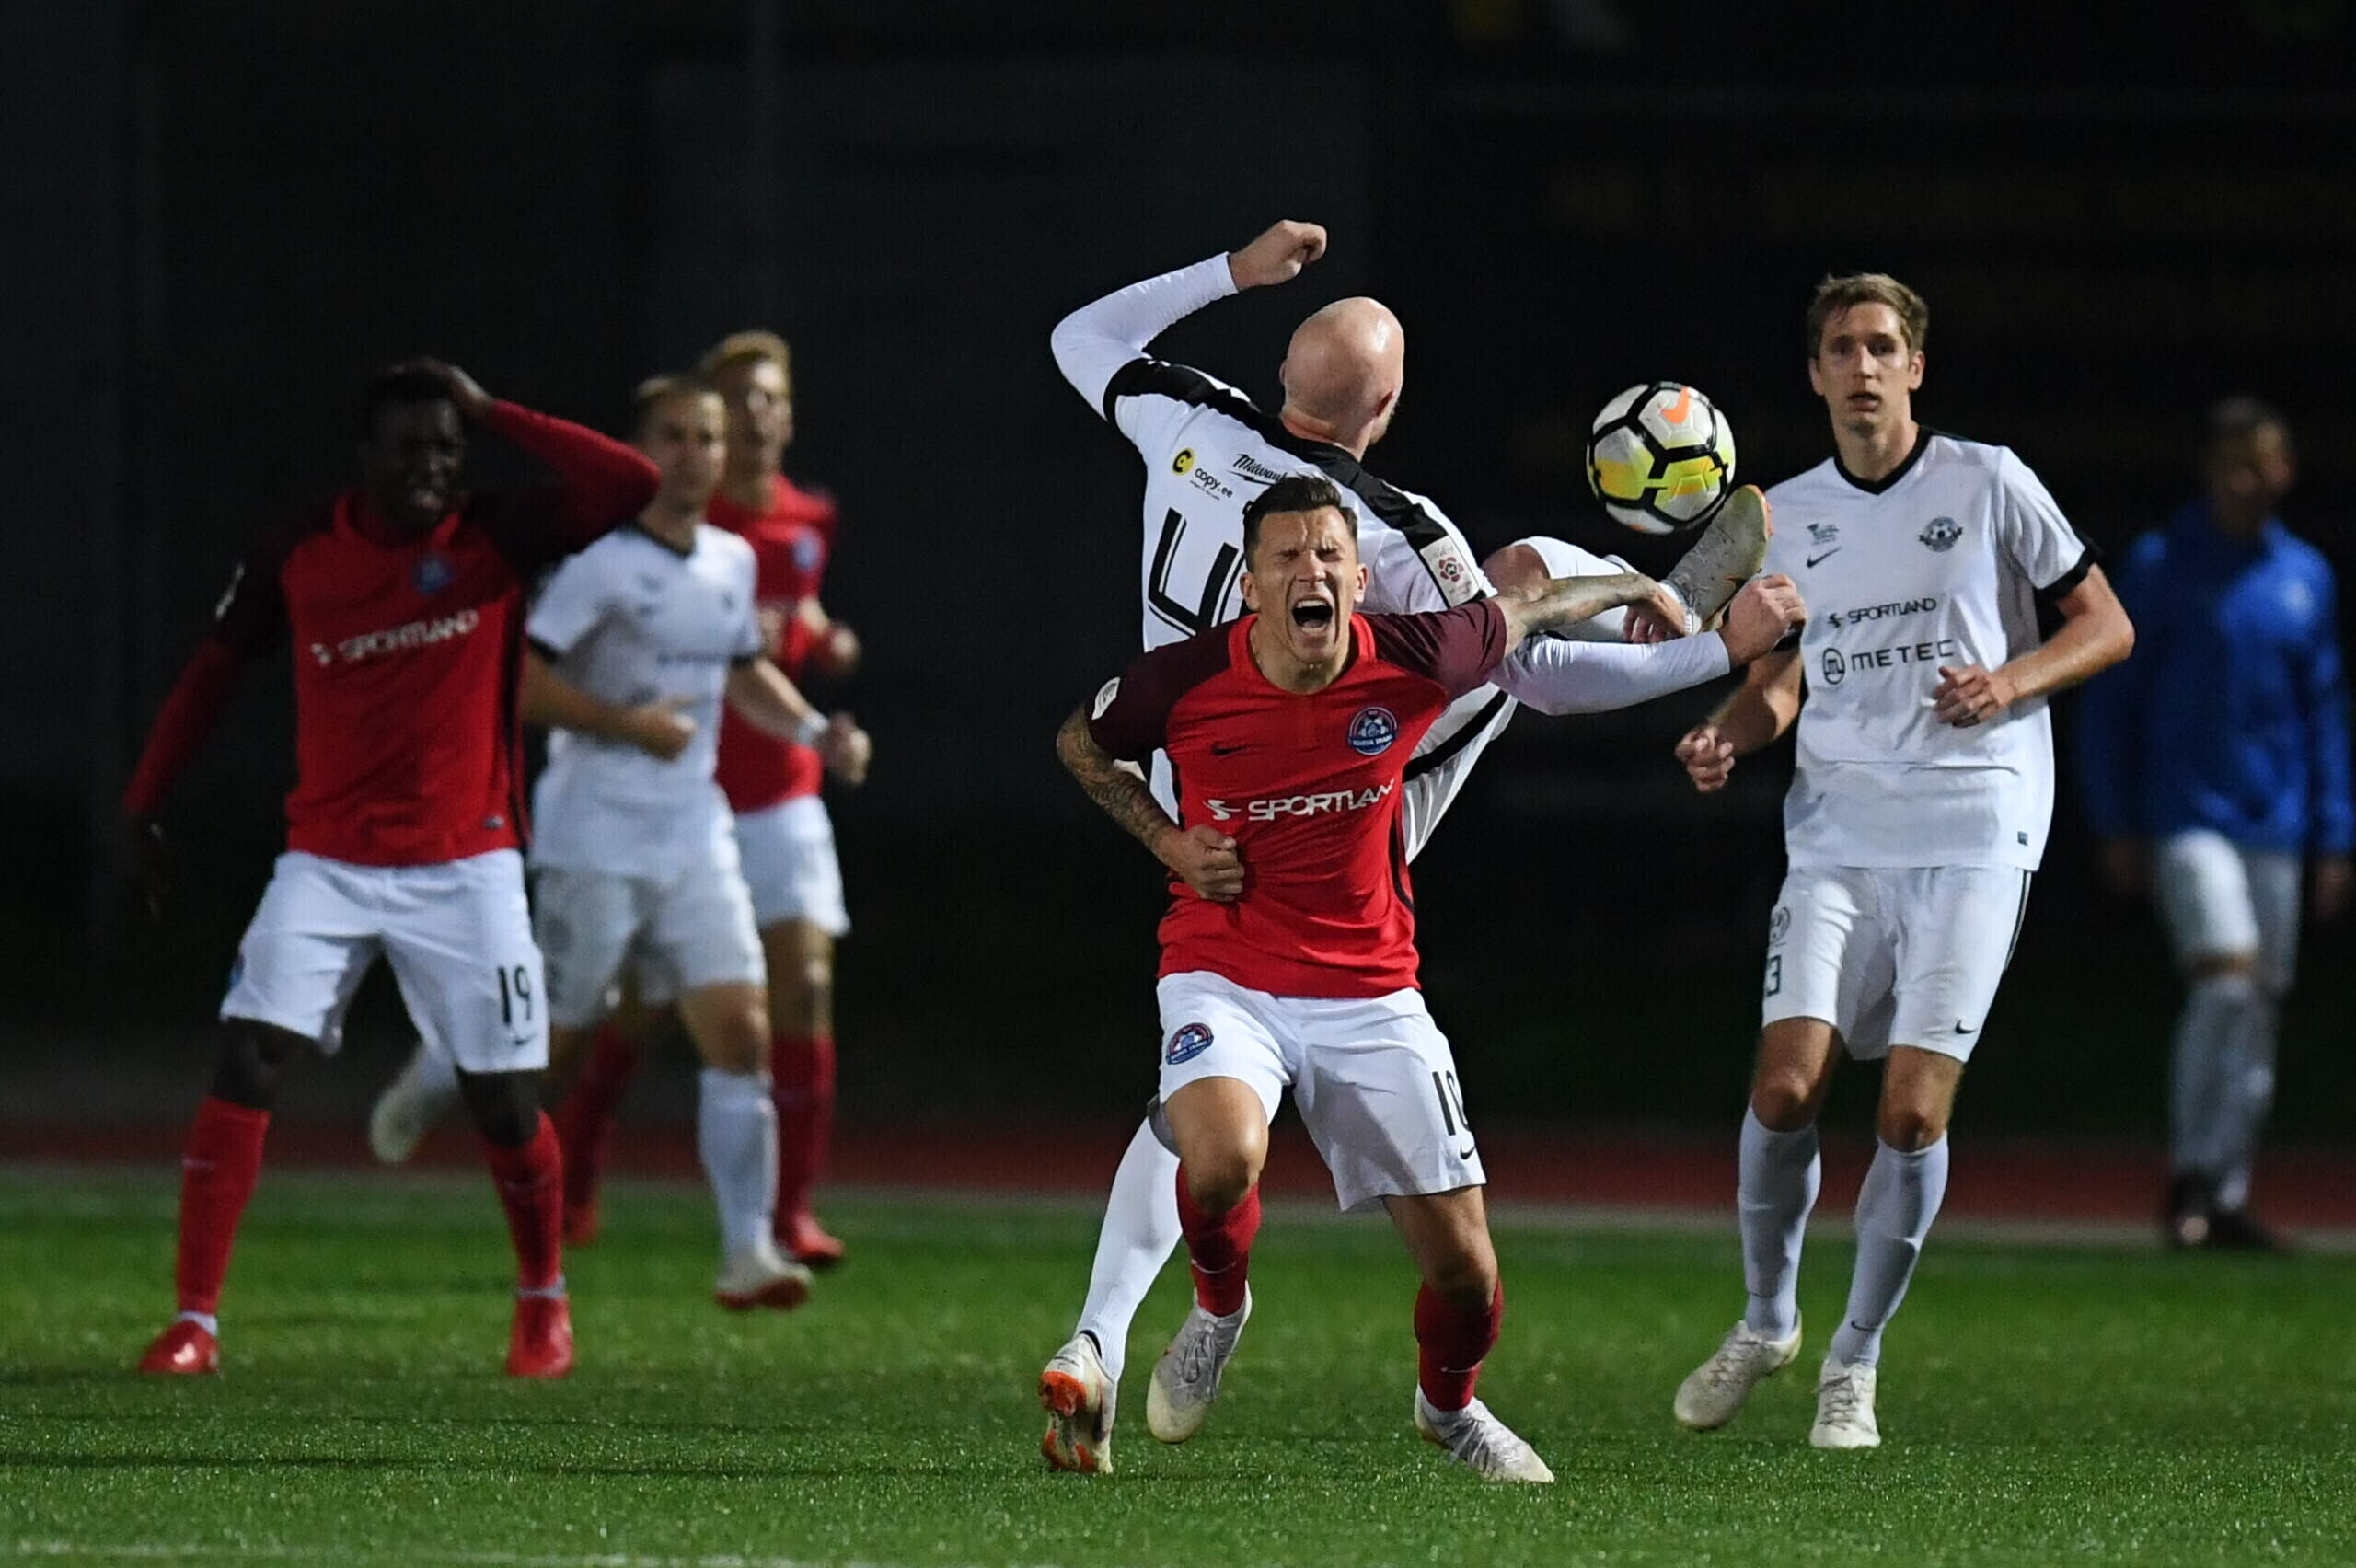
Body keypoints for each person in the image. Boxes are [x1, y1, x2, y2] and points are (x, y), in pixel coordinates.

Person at [1036, 218, 1783, 1472]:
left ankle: (1149, 1336)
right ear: (1383, 410)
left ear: (1282, 366)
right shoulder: (1388, 530)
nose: (1308, 567)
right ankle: (1670, 614)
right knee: (1505, 621)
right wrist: (1708, 650)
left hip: (1202, 796)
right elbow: (1526, 663)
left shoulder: (1188, 424)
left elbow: (1081, 338)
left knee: (1491, 627)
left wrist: (1233, 273)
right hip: (1307, 801)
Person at [122, 360, 662, 1378]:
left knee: (503, 1101)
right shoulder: (298, 549)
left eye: (448, 450)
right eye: (410, 448)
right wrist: (143, 801)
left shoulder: (495, 535)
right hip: (326, 860)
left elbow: (630, 483)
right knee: (248, 1055)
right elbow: (213, 670)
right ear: (365, 456)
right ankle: (196, 1320)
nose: (430, 468)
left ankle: (542, 1300)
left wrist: (497, 410)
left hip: (469, 865)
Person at [1668, 273, 2133, 1448]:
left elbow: (2106, 623)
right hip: (1837, 831)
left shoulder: (1988, 480)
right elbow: (1782, 679)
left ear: (1914, 368)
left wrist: (2008, 684)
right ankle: (1766, 1320)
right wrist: (1729, 734)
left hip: (1975, 826)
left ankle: (1854, 1361)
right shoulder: (1784, 516)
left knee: (1913, 1116)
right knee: (1783, 1088)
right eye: (1842, 348)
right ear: (1815, 374)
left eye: (1883, 347)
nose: (1863, 367)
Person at [369, 376, 869, 1311]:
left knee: (742, 1033)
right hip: (595, 833)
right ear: (640, 453)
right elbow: (519, 682)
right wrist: (627, 725)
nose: (691, 455)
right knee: (554, 1043)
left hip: (695, 833)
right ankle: (446, 1059)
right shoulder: (598, 561)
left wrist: (815, 732)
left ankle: (748, 1252)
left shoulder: (728, 560)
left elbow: (742, 671)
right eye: (672, 437)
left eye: (705, 438)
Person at [547, 330, 862, 1266]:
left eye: (768, 399)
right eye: (734, 403)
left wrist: (824, 645)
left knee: (801, 990)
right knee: (639, 1007)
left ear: (787, 415)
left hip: (783, 796)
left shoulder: (807, 518)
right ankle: (573, 1161)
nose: (751, 418)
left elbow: (785, 626)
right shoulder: (677, 526)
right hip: (684, 801)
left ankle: (787, 1215)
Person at [2075, 397, 2350, 1251]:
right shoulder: (2164, 563)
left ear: (2285, 470)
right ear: (2210, 469)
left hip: (2278, 822)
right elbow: (2113, 700)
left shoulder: (2304, 575)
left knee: (2259, 1004)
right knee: (2226, 977)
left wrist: (2335, 834)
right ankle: (2191, 1172)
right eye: (2234, 462)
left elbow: (2323, 710)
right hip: (2187, 815)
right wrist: (2115, 817)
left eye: (2261, 462)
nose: (2247, 479)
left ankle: (2224, 1189)